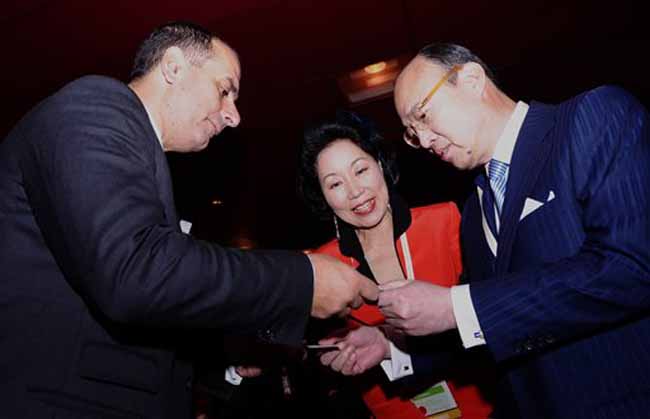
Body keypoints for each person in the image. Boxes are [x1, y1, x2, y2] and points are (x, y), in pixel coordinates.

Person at [0, 21, 377, 419]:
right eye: (225, 89)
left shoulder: (142, 157)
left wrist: (229, 356)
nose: (233, 115)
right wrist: (302, 281)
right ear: (174, 67)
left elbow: (143, 310)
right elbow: (135, 272)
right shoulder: (94, 106)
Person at [378, 42, 650, 418]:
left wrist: (458, 306)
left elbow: (632, 266)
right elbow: (492, 326)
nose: (423, 141)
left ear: (472, 79)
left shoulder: (593, 118)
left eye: (423, 116)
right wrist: (388, 349)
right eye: (411, 132)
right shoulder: (474, 213)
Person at [296, 113, 493, 418]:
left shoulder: (446, 221)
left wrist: (391, 343)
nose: (355, 191)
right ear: (323, 197)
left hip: (483, 402)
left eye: (360, 170)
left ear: (380, 165)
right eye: (335, 183)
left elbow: (488, 319)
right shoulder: (323, 265)